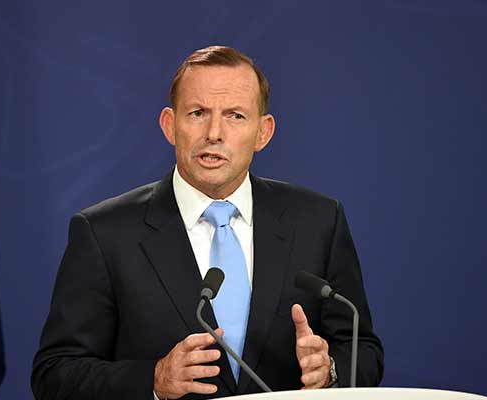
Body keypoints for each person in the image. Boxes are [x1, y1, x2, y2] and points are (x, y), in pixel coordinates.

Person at [31, 45, 384, 400]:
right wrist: (153, 379)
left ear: (263, 132)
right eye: (198, 113)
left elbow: (364, 350)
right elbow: (55, 374)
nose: (214, 133)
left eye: (235, 116)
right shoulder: (104, 234)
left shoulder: (317, 222)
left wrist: (330, 371)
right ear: (170, 125)